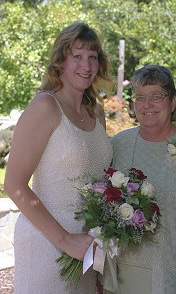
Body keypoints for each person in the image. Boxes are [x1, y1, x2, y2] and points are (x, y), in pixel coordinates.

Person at [4, 22, 113, 294]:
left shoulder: (97, 112)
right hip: (47, 242)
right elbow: (14, 185)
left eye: (92, 57)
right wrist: (65, 240)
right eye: (77, 56)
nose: (86, 65)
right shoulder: (45, 106)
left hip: (88, 246)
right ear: (60, 62)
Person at [103, 65, 176, 294]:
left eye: (157, 96)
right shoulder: (119, 144)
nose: (147, 105)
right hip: (128, 269)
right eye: (140, 97)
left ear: (173, 102)